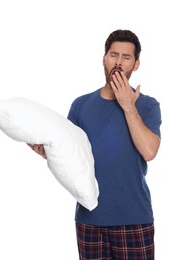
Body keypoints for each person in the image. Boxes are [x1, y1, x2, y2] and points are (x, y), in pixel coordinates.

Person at [28, 29, 162, 260]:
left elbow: (149, 152)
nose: (118, 62)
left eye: (126, 57)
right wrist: (46, 152)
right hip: (89, 219)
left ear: (136, 64)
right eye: (113, 54)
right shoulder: (81, 105)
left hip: (133, 218)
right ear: (104, 58)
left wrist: (128, 106)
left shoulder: (148, 105)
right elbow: (69, 154)